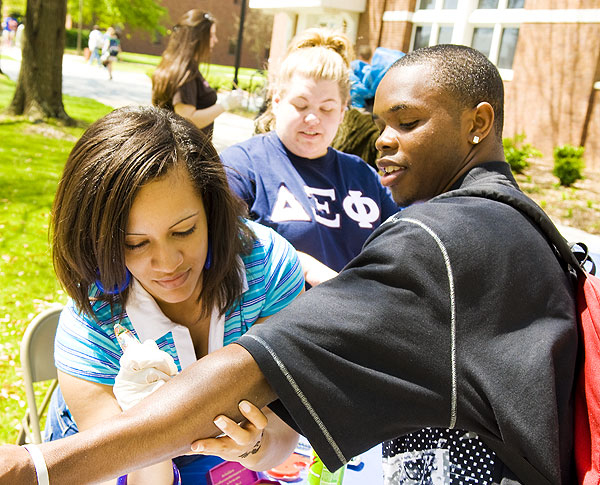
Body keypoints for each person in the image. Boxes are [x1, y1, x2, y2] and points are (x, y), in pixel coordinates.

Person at [0, 45, 577, 485]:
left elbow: (256, 369)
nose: (381, 142)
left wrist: (32, 467)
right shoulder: (526, 224)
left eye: (407, 122)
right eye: (380, 124)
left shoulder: (439, 241)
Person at [41, 106, 303, 485]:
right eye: (135, 243)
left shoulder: (269, 270)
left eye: (183, 231)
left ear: (212, 211)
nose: (166, 263)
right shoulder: (90, 323)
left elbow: (282, 441)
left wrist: (250, 446)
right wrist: (144, 430)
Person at [222, 28, 398, 287]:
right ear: (277, 101)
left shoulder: (362, 175)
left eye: (326, 108)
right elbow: (211, 233)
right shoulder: (243, 165)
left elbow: (405, 238)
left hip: (355, 318)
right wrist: (299, 263)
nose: (313, 118)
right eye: (301, 105)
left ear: (342, 112)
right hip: (277, 322)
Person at [152, 9, 243, 141]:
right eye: (211, 36)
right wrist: (225, 105)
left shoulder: (177, 65)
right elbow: (188, 120)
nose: (215, 40)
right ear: (197, 38)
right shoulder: (186, 72)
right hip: (187, 153)